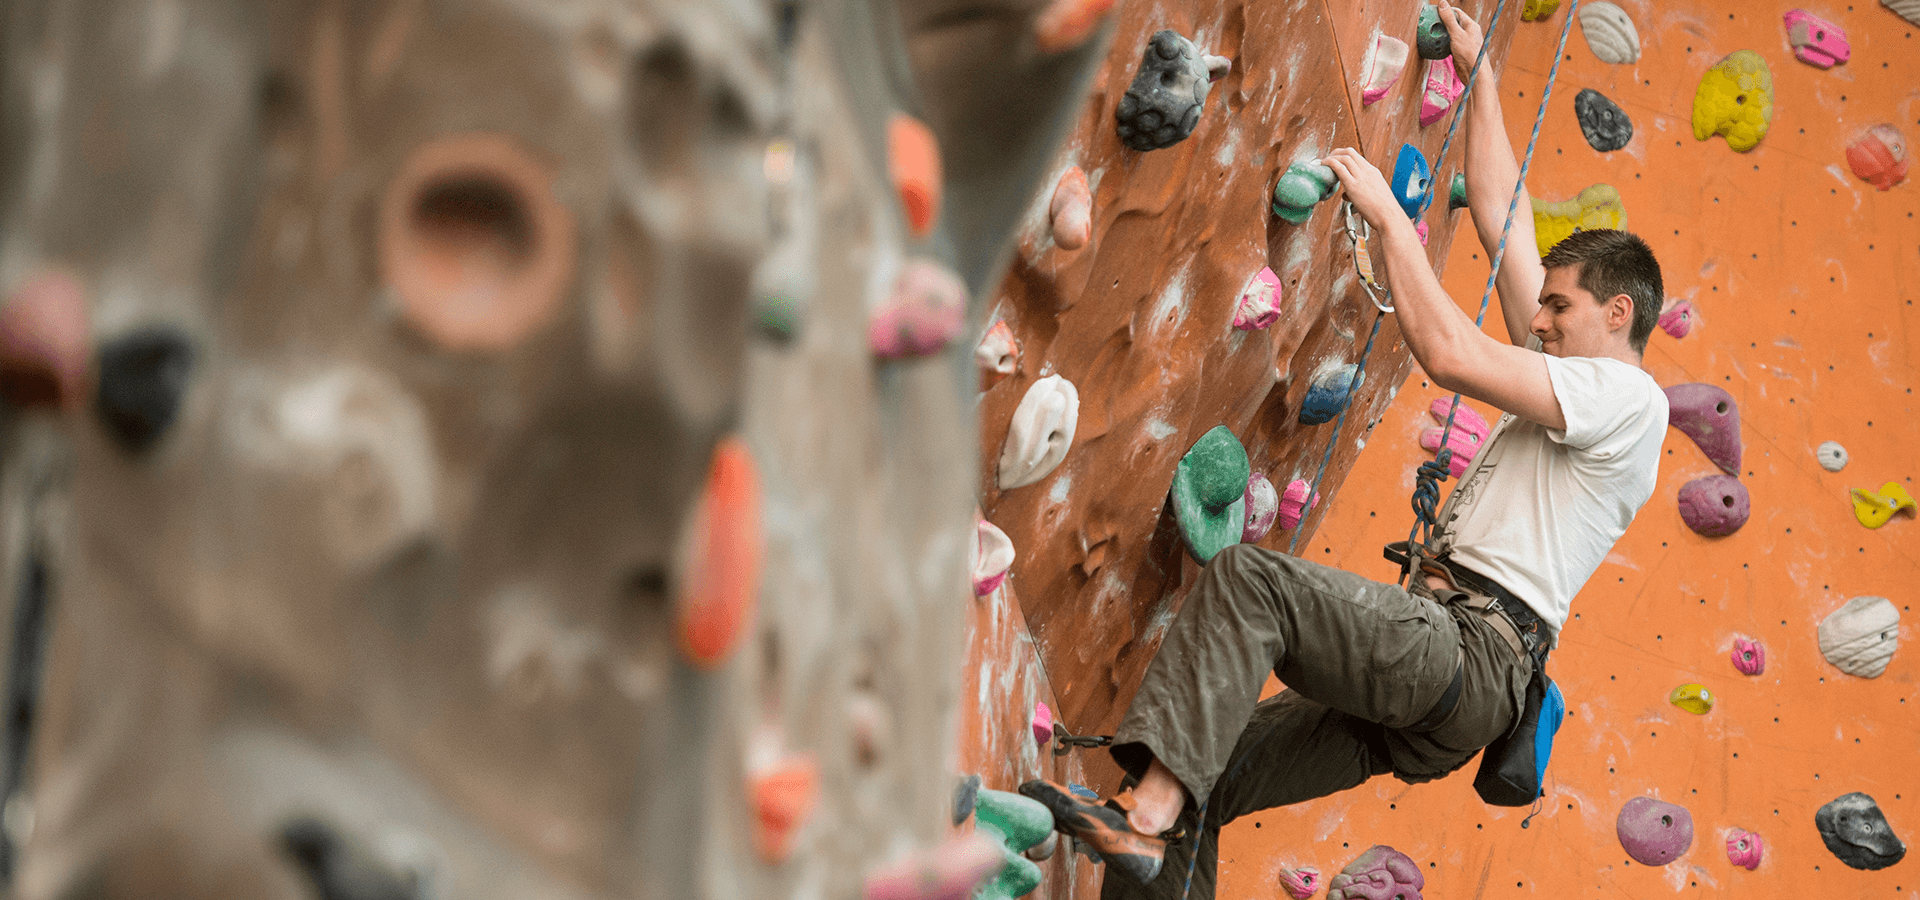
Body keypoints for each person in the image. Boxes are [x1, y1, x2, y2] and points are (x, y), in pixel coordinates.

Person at [1018, 3, 1671, 897]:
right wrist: (1478, 83)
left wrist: (1389, 218)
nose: (1542, 319)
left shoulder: (1630, 399)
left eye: (1559, 307)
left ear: (1619, 313)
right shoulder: (1573, 379)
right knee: (1215, 772)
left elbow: (1449, 356)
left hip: (1469, 651)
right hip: (1457, 678)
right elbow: (1500, 216)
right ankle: (1160, 828)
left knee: (1253, 586)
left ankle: (1140, 824)